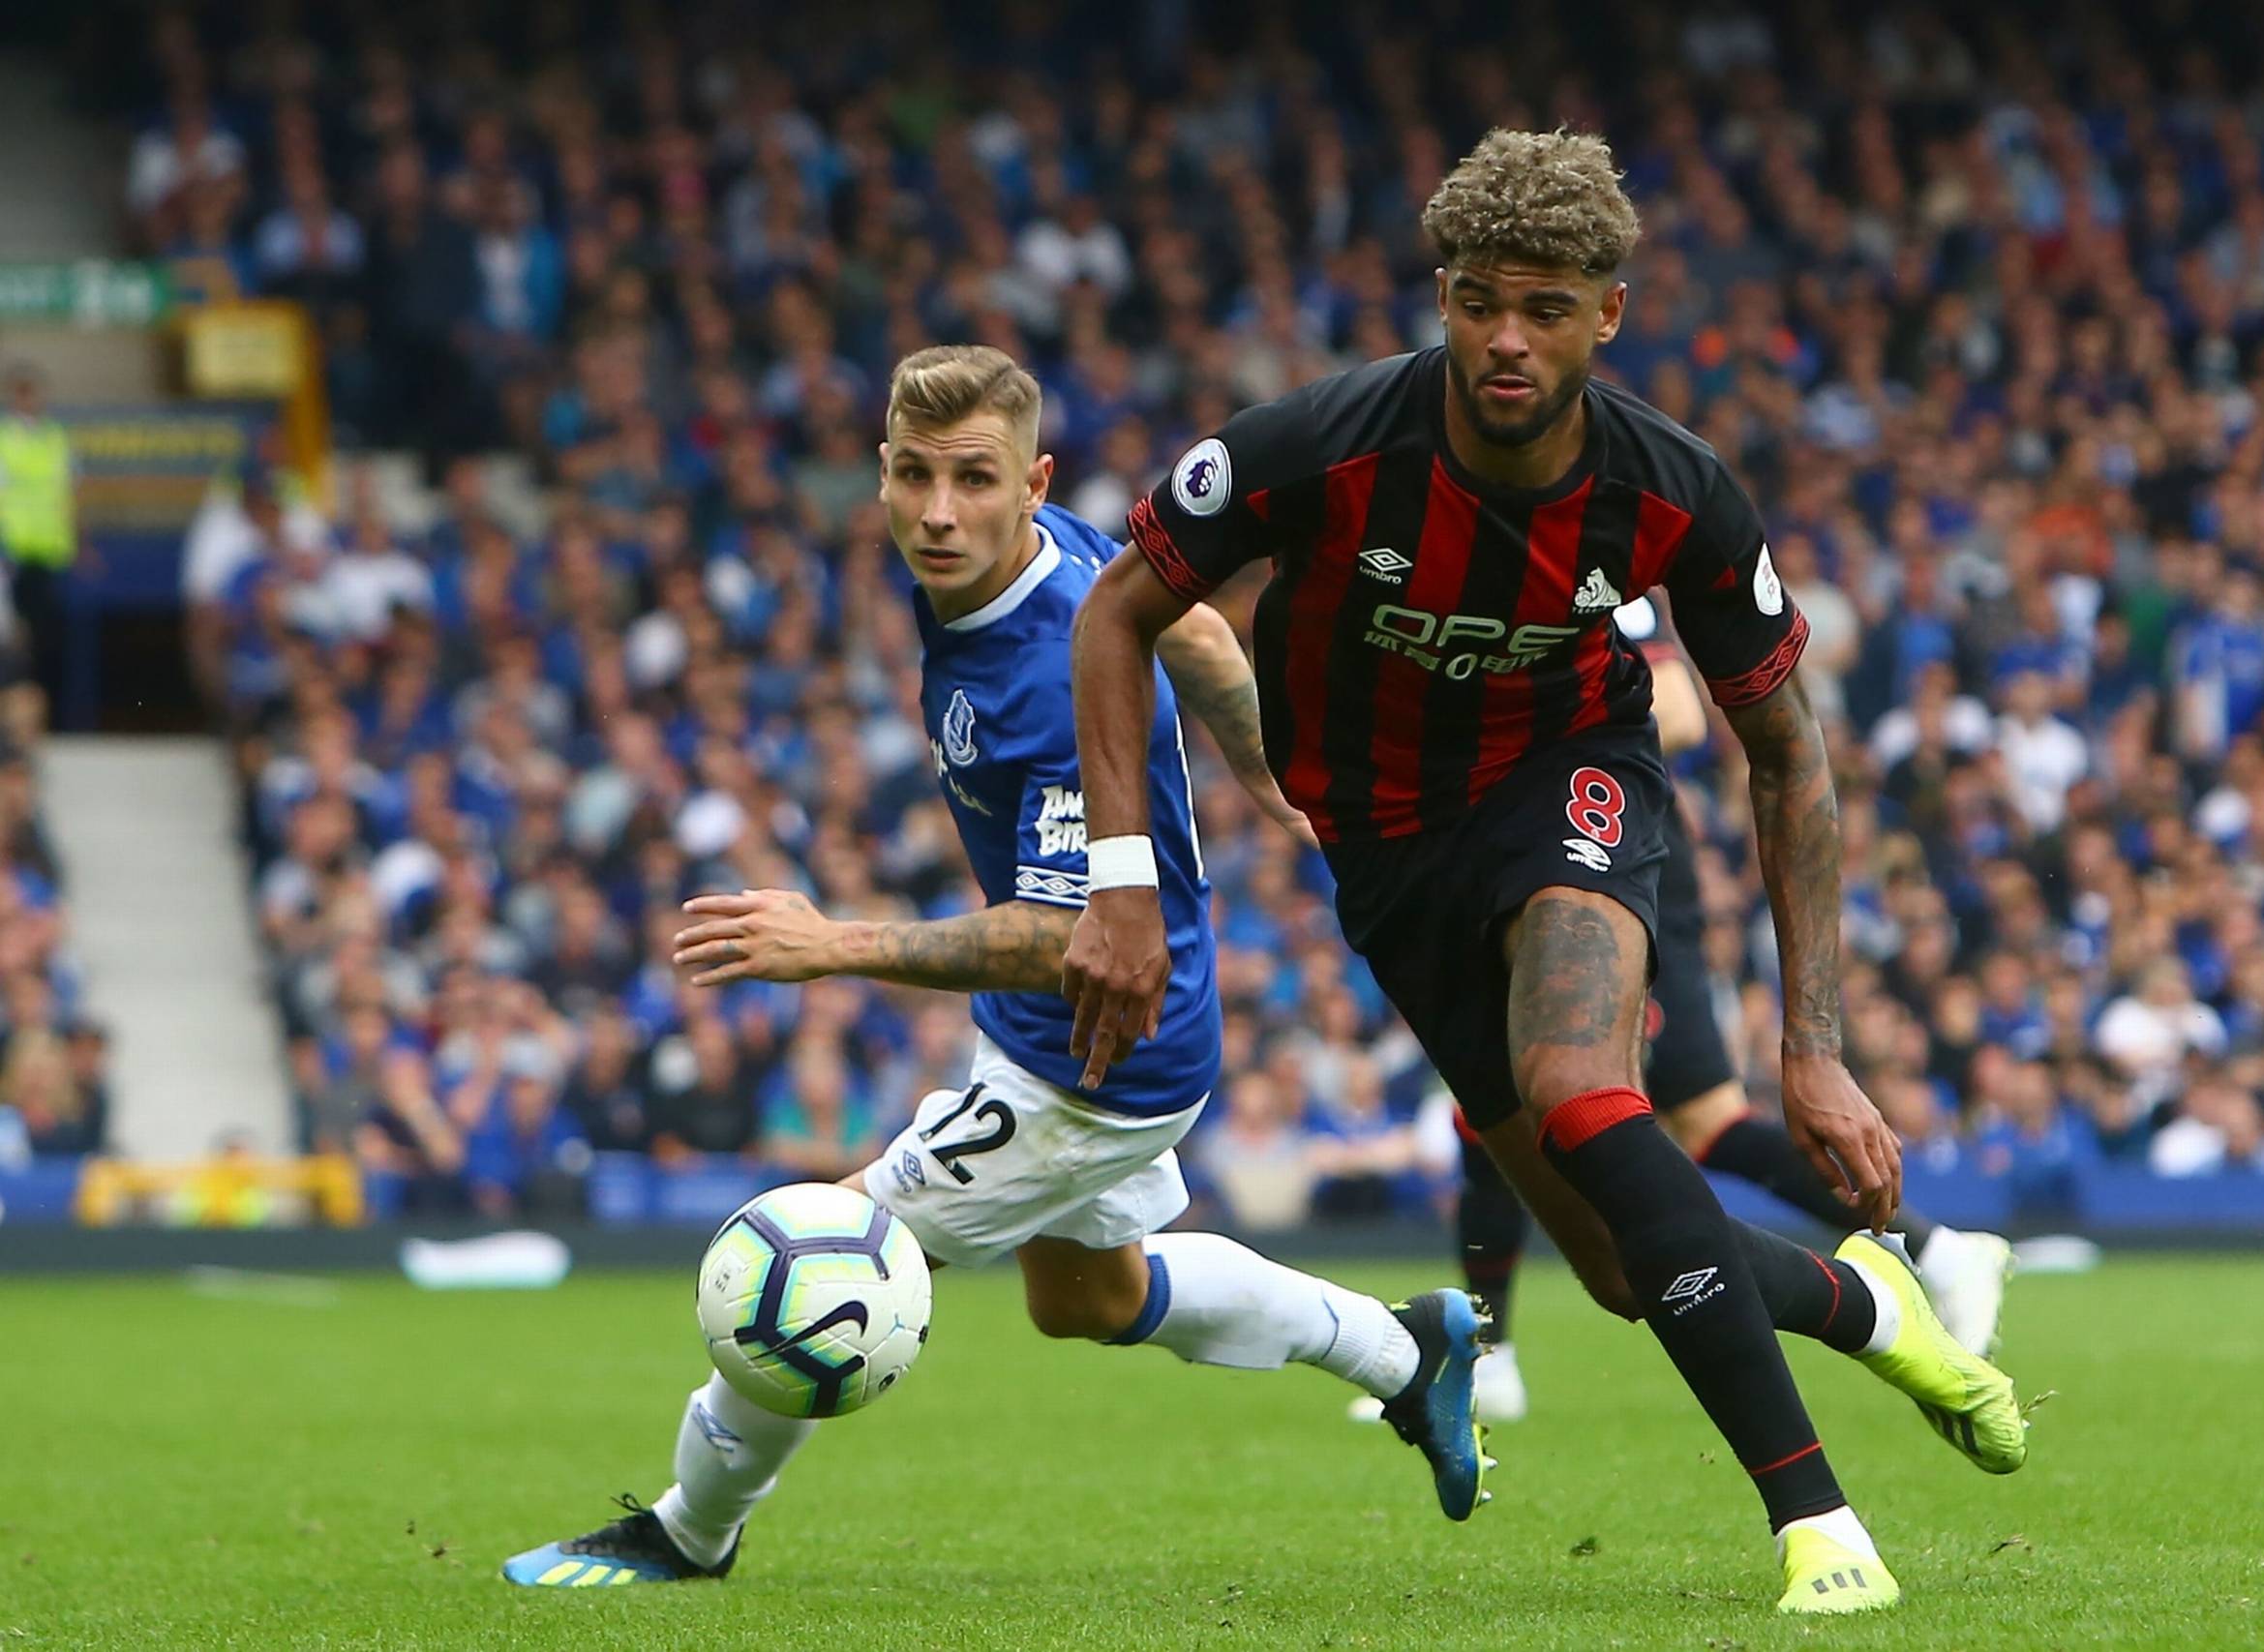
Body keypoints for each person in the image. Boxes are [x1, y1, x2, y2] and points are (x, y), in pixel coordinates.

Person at [1067, 131, 2027, 1616]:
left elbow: (1790, 753)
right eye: (1475, 301)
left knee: (1588, 1088)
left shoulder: (1675, 493)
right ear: (1442, 296)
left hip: (1568, 778)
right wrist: (1118, 880)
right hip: (1385, 849)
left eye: (1545, 307)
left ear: (1609, 315)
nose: (1506, 338)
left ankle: (1816, 1519)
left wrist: (1813, 1047)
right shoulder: (1321, 445)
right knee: (1622, 1265)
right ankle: (1867, 1300)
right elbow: (1117, 611)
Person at [503, 345, 1491, 1589]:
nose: (935, 511)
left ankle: (688, 1534)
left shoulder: (1036, 670)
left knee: (813, 1260)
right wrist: (1263, 770)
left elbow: (1054, 929)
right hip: (1059, 1030)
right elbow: (1186, 619)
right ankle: (1406, 1355)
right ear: (877, 474)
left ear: (1032, 482)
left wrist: (832, 946)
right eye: (911, 475)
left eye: (971, 480)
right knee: (1085, 1299)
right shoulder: (1056, 547)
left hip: (1101, 1049)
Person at [1351, 604, 2017, 1427]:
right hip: (1537, 853)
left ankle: (1494, 1355)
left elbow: (1678, 710)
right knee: (1564, 1105)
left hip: (1609, 858)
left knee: (1592, 1105)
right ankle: (1934, 1249)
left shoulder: (1595, 555)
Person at [0, 367, 78, 723]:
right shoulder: (4, 437)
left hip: (49, 553)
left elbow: (69, 491)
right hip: (10, 553)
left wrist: (82, 543)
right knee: (14, 639)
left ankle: (47, 718)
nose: (29, 400)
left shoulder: (56, 438)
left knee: (49, 639)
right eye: (23, 392)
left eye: (34, 392)